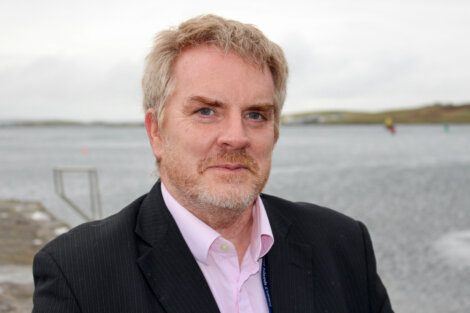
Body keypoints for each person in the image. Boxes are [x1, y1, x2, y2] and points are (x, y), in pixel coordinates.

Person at [32, 14, 394, 313]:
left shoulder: (342, 245)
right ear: (156, 131)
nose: (236, 136)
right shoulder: (79, 273)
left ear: (276, 131)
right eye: (207, 111)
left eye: (256, 114)